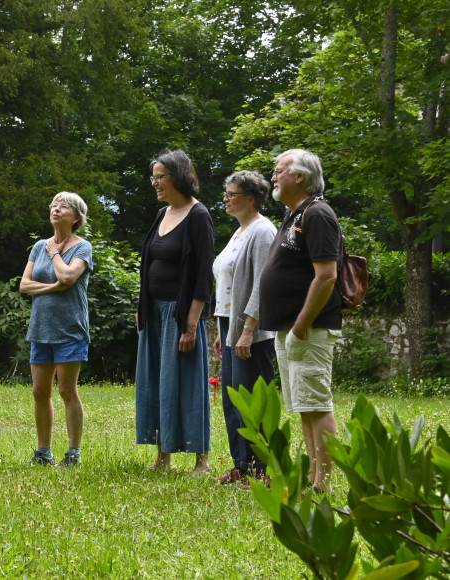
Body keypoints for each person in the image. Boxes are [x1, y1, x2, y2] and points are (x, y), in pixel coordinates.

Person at [259, 149, 342, 495]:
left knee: (317, 403)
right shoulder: (295, 214)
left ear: (301, 178)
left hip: (308, 328)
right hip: (290, 329)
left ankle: (324, 483)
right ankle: (312, 478)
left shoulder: (318, 214)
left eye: (279, 171)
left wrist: (300, 326)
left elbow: (326, 277)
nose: (273, 177)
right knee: (305, 406)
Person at [135, 148, 215, 475]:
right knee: (156, 383)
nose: (154, 182)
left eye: (160, 177)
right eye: (153, 176)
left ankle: (202, 461)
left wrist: (191, 324)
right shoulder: (162, 214)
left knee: (187, 385)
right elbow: (149, 263)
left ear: (178, 177)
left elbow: (201, 275)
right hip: (154, 313)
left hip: (181, 316)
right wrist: (143, 308)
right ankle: (163, 457)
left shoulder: (199, 216)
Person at [211, 171, 278, 484]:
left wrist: (249, 329)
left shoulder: (263, 231)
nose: (225, 198)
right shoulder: (239, 232)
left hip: (252, 329)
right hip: (230, 325)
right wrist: (220, 329)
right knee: (233, 399)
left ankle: (263, 471)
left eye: (231, 193)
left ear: (251, 199)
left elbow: (265, 285)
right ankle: (242, 465)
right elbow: (228, 285)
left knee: (253, 402)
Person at [19, 192, 92, 468]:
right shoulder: (38, 246)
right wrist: (51, 288)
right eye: (53, 205)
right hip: (40, 328)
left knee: (66, 390)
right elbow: (25, 285)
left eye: (64, 206)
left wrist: (54, 254)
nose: (56, 209)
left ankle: (73, 453)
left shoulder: (82, 247)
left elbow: (67, 276)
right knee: (39, 391)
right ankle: (43, 452)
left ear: (76, 217)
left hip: (70, 329)